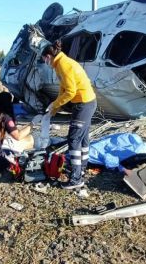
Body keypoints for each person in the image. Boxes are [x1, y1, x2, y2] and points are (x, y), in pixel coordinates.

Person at [41, 40, 97, 190]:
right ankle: (82, 168)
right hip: (87, 102)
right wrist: (55, 107)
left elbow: (71, 92)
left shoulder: (63, 65)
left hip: (84, 103)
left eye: (44, 59)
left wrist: (56, 104)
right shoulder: (61, 63)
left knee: (73, 139)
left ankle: (76, 178)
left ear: (48, 56)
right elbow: (63, 88)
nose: (44, 62)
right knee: (83, 137)